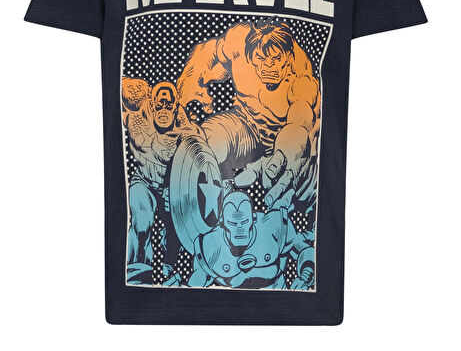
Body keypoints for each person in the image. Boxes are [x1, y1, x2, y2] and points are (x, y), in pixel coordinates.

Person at [177, 19, 321, 212]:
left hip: (284, 142)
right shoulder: (238, 42)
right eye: (261, 58)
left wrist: (288, 149)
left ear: (287, 58)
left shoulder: (301, 75)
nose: (269, 66)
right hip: (246, 124)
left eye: (276, 59)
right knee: (209, 136)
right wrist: (188, 87)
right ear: (252, 56)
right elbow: (208, 52)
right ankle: (188, 192)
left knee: (295, 183)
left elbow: (300, 118)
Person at [122, 78, 203, 284]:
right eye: (160, 104)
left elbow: (200, 156)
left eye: (169, 105)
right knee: (142, 221)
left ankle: (170, 262)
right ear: (152, 103)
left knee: (180, 231)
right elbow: (158, 149)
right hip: (144, 181)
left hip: (173, 186)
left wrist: (177, 188)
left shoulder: (187, 127)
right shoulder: (136, 120)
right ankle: (138, 274)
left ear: (175, 106)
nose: (164, 110)